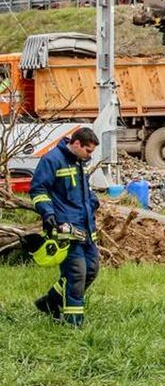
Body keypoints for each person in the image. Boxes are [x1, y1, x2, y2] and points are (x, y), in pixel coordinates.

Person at [29, 127, 100, 327]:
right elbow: (38, 190)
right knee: (76, 273)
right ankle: (73, 323)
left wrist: (94, 202)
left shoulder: (80, 161)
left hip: (85, 226)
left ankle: (50, 301)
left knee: (92, 269)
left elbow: (85, 188)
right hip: (65, 227)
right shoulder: (51, 160)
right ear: (77, 144)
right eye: (88, 151)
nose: (89, 156)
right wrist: (48, 213)